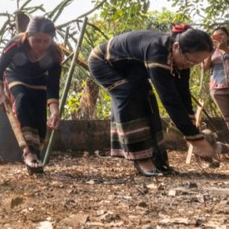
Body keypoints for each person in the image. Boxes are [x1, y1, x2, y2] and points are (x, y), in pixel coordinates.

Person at [88, 25, 216, 176]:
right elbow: (169, 98)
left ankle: (157, 159)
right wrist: (196, 140)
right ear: (176, 47)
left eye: (195, 64)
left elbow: (182, 93)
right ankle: (141, 158)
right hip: (103, 63)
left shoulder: (181, 57)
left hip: (132, 68)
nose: (190, 65)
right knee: (129, 96)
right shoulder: (158, 50)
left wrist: (192, 126)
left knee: (148, 100)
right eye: (190, 61)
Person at [0, 16, 62, 174]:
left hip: (39, 82)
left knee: (38, 116)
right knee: (22, 101)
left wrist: (54, 111)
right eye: (37, 40)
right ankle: (28, 152)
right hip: (15, 76)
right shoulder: (16, 44)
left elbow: (53, 85)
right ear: (28, 36)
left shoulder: (55, 53)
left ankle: (35, 158)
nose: (42, 46)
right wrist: (0, 93)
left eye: (46, 41)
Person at [203, 26, 229, 128]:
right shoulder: (210, 51)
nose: (219, 37)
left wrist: (225, 49)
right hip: (218, 88)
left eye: (221, 35)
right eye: (216, 36)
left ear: (227, 37)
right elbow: (205, 68)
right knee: (227, 117)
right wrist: (210, 52)